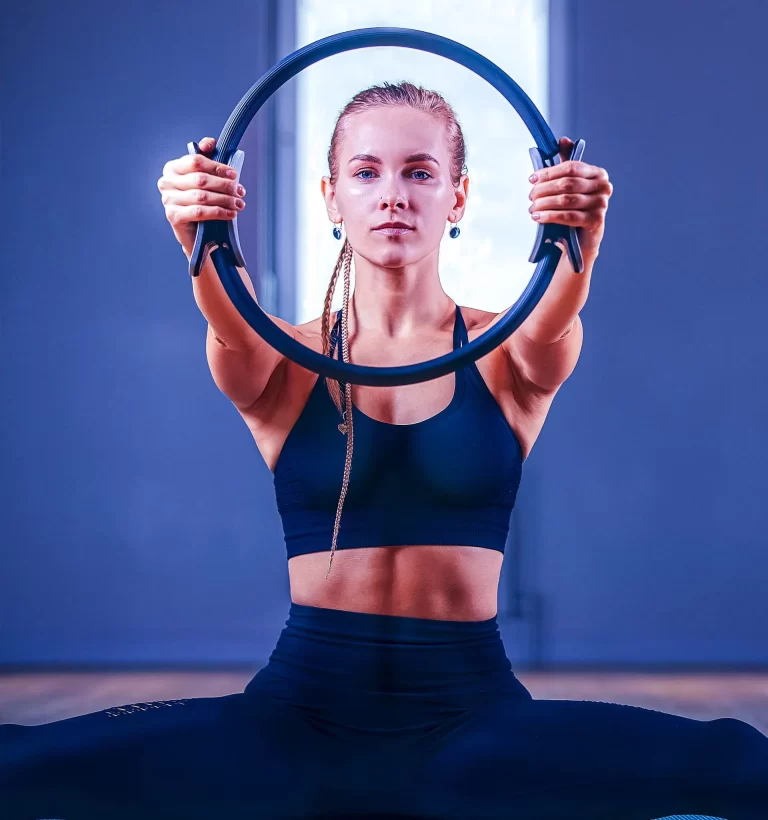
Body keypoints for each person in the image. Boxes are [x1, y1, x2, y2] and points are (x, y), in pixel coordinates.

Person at [1, 81, 766, 820]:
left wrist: (579, 244)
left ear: (457, 197)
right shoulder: (283, 358)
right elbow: (228, 318)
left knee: (734, 765)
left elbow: (556, 320)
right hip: (294, 722)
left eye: (420, 172)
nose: (393, 194)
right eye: (365, 172)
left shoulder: (507, 353)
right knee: (24, 765)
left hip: (474, 724)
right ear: (331, 197)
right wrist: (200, 233)